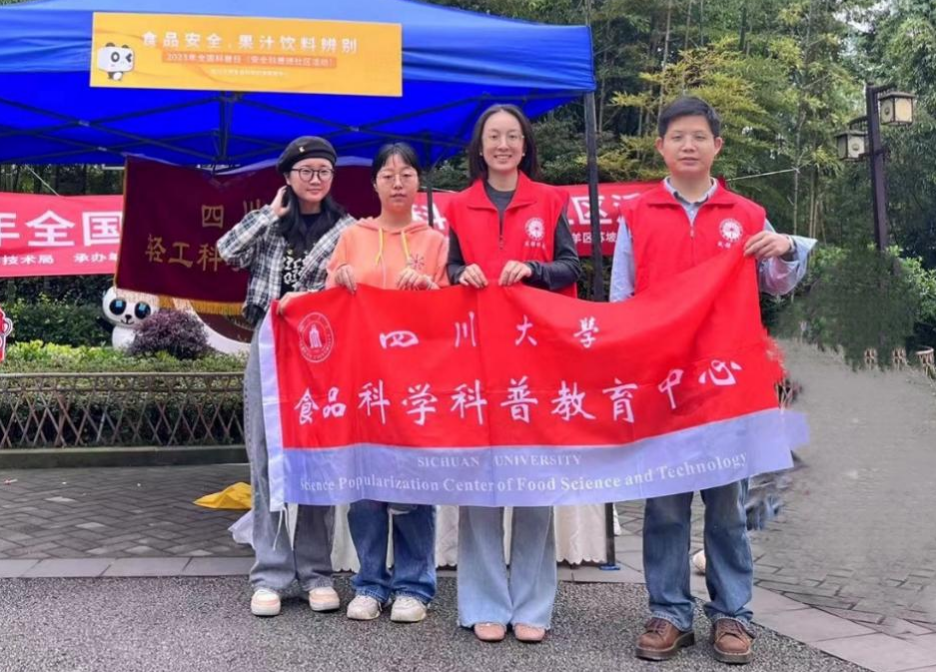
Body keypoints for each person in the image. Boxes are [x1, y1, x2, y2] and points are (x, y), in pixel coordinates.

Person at [610, 96, 814, 665]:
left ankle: (732, 615)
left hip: (728, 386)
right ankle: (670, 614)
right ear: (661, 147)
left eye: (699, 136)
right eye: (678, 136)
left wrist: (788, 247)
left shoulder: (746, 214)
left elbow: (778, 282)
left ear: (717, 146)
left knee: (728, 506)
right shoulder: (637, 213)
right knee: (665, 507)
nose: (689, 145)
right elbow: (623, 298)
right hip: (664, 384)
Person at [446, 104, 582, 644]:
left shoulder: (550, 200)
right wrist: (462, 273)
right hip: (477, 362)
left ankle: (532, 605)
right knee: (481, 483)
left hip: (536, 361)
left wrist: (534, 269)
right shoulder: (458, 206)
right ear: (479, 147)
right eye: (493, 136)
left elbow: (572, 266)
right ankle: (483, 601)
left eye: (512, 136)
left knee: (532, 481)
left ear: (525, 146)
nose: (502, 144)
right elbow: (448, 269)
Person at [217, 136, 355, 617]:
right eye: (306, 171)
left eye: (324, 171)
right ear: (288, 177)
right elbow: (227, 251)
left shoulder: (348, 229)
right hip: (270, 343)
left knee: (319, 453)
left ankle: (316, 572)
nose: (315, 180)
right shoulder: (270, 223)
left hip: (323, 349)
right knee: (265, 453)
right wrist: (267, 215)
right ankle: (271, 573)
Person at [326, 142, 448, 624]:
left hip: (415, 381)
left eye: (407, 174)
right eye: (388, 175)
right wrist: (339, 278)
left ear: (419, 182)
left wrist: (431, 290)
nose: (397, 183)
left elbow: (451, 315)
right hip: (362, 379)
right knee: (365, 484)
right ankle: (370, 582)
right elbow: (327, 302)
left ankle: (414, 585)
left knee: (412, 483)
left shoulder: (435, 242)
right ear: (374, 184)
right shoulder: (351, 237)